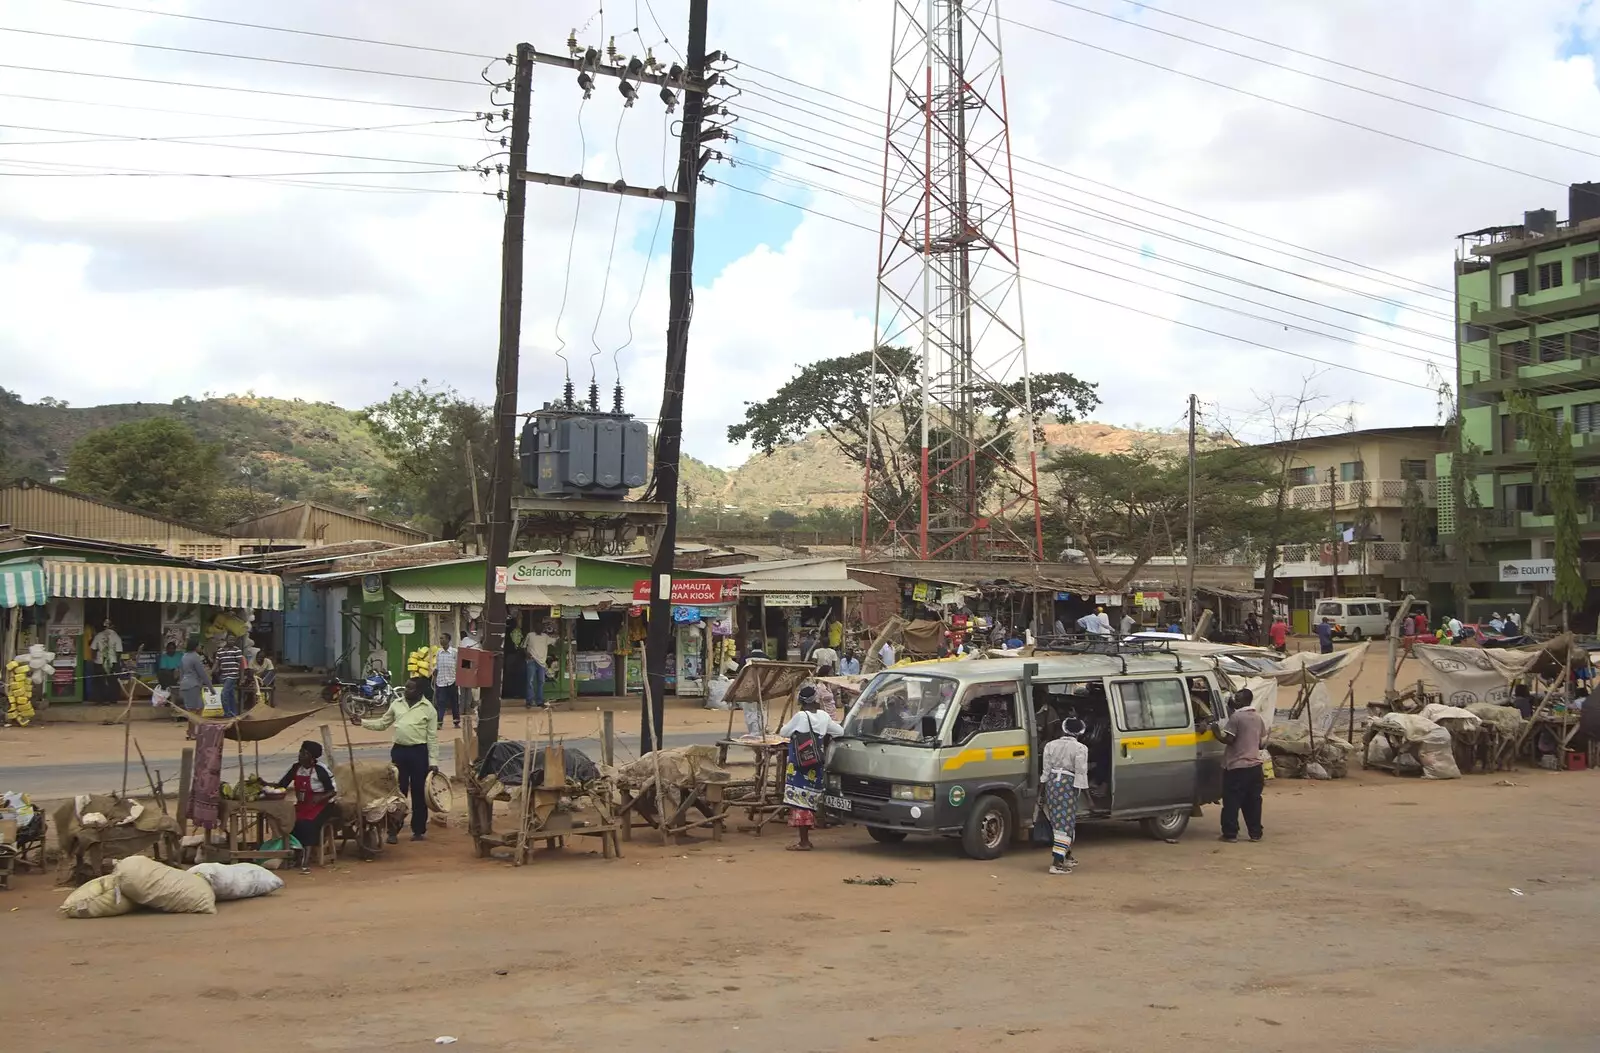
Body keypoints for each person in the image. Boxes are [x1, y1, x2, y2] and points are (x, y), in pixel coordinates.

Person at [356, 676, 439, 843]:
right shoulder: (396, 704)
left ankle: (418, 830)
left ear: (420, 691)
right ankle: (393, 830)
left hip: (419, 753)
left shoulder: (429, 709)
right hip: (399, 752)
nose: (407, 691)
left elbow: (432, 738)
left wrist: (433, 762)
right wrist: (362, 722)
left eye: (411, 688)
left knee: (418, 792)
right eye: (406, 687)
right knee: (396, 792)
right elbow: (383, 723)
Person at [778, 686, 845, 851]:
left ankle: (804, 842)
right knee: (811, 799)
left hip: (799, 766)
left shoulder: (800, 716)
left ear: (801, 701)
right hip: (816, 764)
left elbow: (783, 733)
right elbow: (840, 731)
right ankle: (809, 834)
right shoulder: (823, 716)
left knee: (800, 802)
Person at [262, 740, 338, 872]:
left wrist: (320, 797)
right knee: (290, 821)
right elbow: (282, 785)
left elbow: (332, 791)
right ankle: (294, 853)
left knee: (307, 824)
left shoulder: (321, 770)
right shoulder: (296, 768)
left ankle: (305, 859)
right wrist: (263, 783)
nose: (300, 755)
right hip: (303, 804)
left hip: (323, 806)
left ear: (312, 757)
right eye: (300, 752)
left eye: (304, 753)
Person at [1210, 688, 1267, 843]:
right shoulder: (1257, 717)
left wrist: (1215, 732)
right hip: (1255, 767)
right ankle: (1255, 833)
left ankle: (1230, 834)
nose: (1234, 700)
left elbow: (1229, 740)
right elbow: (1261, 744)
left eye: (1237, 698)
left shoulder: (1236, 717)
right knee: (1253, 802)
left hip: (1237, 767)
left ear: (1243, 701)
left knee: (1231, 801)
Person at [1041, 717, 1091, 874]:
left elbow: (1046, 771)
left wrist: (1042, 791)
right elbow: (1081, 774)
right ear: (1080, 733)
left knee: (1058, 821)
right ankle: (1056, 863)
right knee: (1065, 824)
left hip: (1052, 785)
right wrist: (1088, 798)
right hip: (1067, 786)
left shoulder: (1050, 745)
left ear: (1063, 729)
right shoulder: (1080, 749)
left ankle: (1067, 856)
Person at [178, 636, 209, 736]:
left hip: (187, 684)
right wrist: (211, 687)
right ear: (195, 646)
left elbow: (181, 673)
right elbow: (202, 673)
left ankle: (194, 731)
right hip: (193, 685)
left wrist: (181, 687)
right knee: (194, 710)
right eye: (199, 645)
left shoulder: (184, 656)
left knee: (198, 708)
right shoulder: (195, 656)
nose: (201, 647)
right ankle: (192, 732)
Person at [89, 619, 122, 703]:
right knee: (112, 681)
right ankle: (112, 699)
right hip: (112, 662)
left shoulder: (98, 635)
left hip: (99, 662)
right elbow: (118, 651)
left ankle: (99, 700)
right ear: (112, 626)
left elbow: (93, 649)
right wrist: (117, 663)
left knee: (99, 681)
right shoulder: (116, 636)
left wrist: (93, 660)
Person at [524, 621, 554, 709]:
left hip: (541, 662)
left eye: (541, 627)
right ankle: (529, 701)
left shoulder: (545, 637)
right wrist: (527, 654)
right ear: (534, 627)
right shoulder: (530, 635)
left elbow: (554, 641)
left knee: (541, 682)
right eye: (538, 626)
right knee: (530, 681)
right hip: (532, 661)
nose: (539, 628)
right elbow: (523, 647)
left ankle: (539, 701)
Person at [433, 633, 460, 729]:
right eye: (440, 638)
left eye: (442, 638)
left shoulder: (454, 652)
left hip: (452, 681)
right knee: (441, 703)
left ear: (448, 640)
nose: (441, 640)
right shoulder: (438, 653)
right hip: (441, 682)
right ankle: (439, 723)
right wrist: (435, 670)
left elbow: (459, 665)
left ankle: (456, 722)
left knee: (454, 703)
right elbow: (437, 665)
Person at [214, 635, 245, 718]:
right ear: (226, 639)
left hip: (233, 675)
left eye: (234, 640)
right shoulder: (220, 651)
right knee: (230, 694)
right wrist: (210, 672)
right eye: (230, 639)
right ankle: (233, 713)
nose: (232, 641)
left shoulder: (237, 650)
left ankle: (227, 714)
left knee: (224, 694)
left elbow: (241, 665)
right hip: (223, 676)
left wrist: (242, 678)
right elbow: (216, 664)